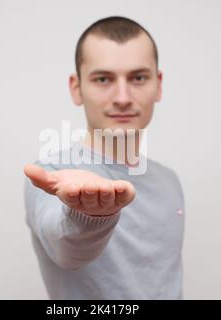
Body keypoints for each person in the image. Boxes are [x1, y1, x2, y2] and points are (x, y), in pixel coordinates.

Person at [23, 16, 185, 299]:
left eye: (138, 78)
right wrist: (89, 215)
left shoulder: (169, 181)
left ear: (158, 85)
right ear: (77, 88)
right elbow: (68, 251)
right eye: (103, 79)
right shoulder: (51, 175)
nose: (123, 97)